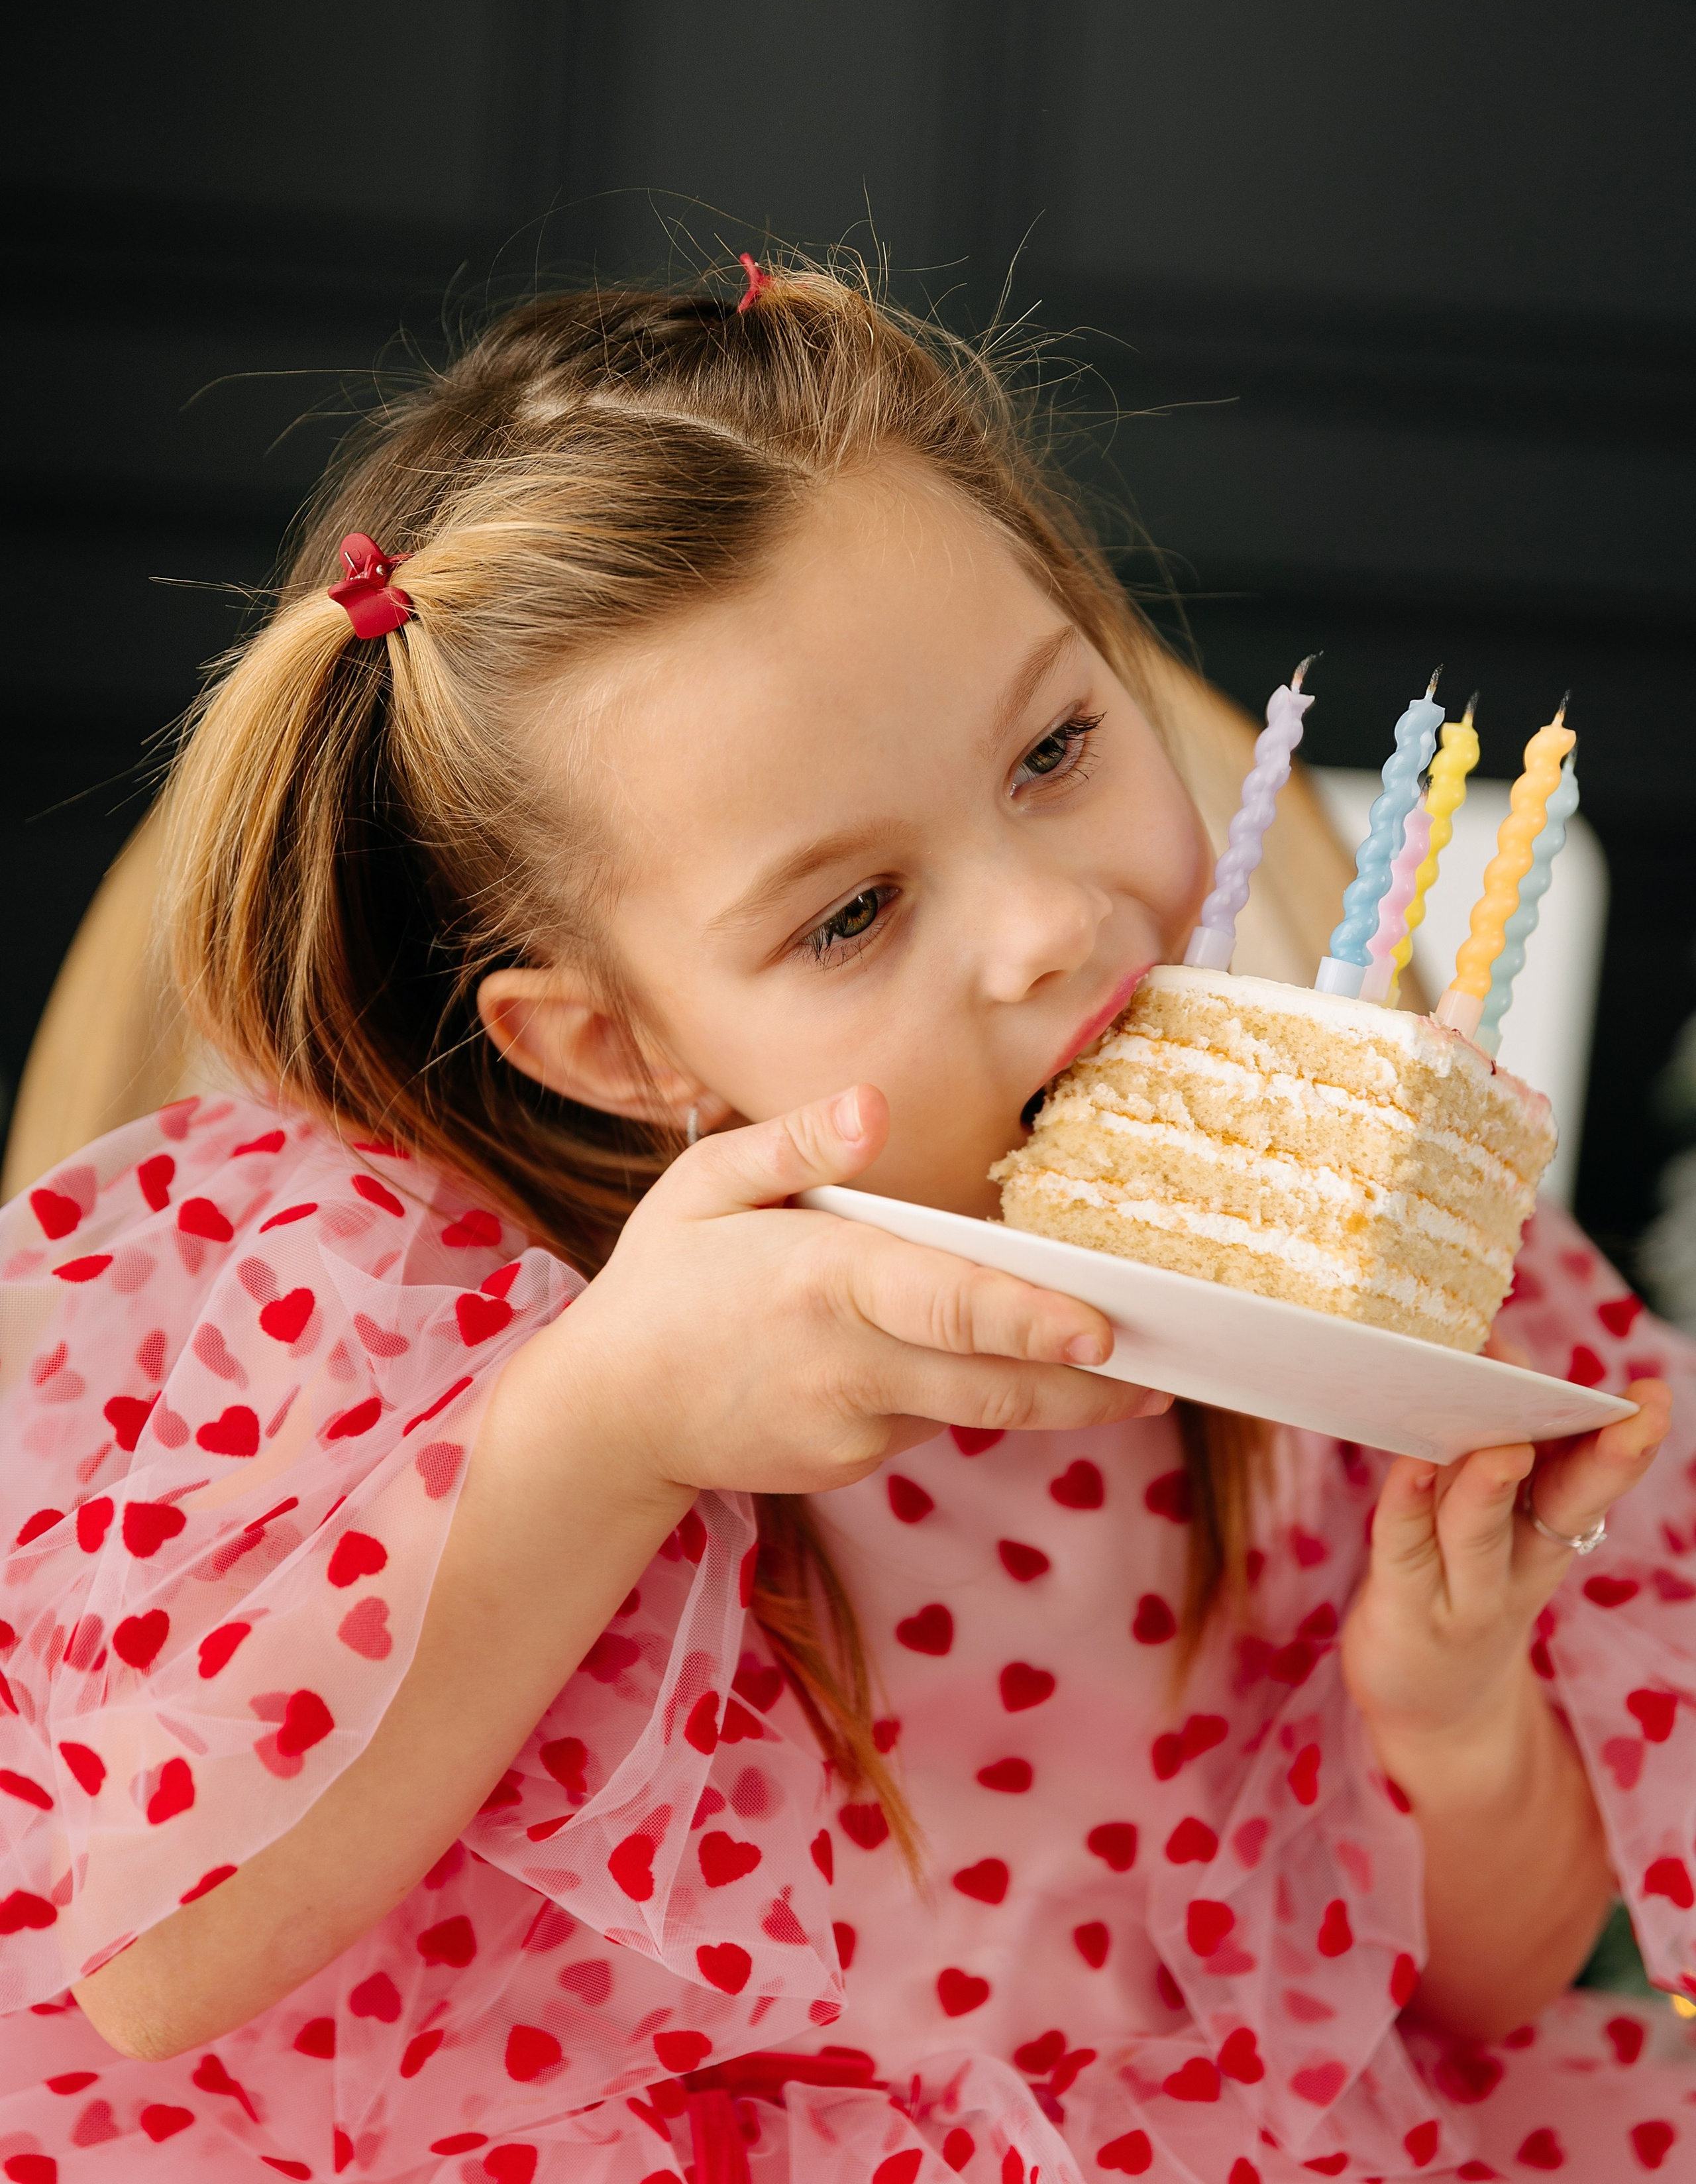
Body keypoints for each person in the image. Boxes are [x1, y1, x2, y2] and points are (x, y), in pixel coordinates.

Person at [0, 264, 1690, 2184]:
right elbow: (147, 1964)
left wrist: (1447, 1708)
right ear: (617, 1044)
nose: (1053, 921)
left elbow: (1491, 1996)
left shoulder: (1354, 1285)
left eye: (1056, 750)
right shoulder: (427, 1322)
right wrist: (611, 1427)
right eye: (852, 913)